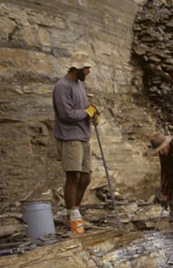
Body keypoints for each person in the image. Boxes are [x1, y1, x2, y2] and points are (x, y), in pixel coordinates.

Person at [53, 51, 100, 234]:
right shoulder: (62, 86)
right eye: (87, 68)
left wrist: (93, 114)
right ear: (78, 68)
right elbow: (66, 114)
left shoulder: (79, 85)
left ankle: (75, 211)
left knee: (86, 177)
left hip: (83, 136)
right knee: (73, 177)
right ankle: (72, 216)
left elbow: (83, 109)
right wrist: (85, 113)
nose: (88, 71)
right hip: (69, 136)